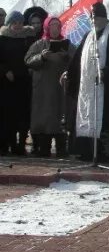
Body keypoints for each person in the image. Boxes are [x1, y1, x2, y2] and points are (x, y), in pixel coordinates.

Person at [64, 3, 109, 159]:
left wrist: (107, 72)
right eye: (93, 17)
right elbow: (76, 61)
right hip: (87, 87)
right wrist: (68, 73)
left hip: (106, 89)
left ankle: (102, 152)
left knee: (104, 119)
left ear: (105, 19)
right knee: (85, 114)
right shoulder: (87, 36)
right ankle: (85, 151)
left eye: (98, 17)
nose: (95, 20)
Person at [24, 16, 74, 157]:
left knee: (61, 117)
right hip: (43, 89)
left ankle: (61, 149)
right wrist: (41, 57)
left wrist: (67, 56)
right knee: (45, 118)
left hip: (61, 87)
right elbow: (28, 60)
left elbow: (76, 60)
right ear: (46, 27)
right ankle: (43, 148)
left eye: (57, 25)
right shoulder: (39, 44)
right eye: (52, 25)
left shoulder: (67, 44)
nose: (55, 28)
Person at [0, 10, 38, 154]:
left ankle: (21, 145)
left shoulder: (28, 38)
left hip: (24, 81)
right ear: (9, 23)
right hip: (7, 83)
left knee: (22, 115)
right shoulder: (2, 38)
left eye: (21, 23)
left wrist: (31, 67)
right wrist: (5, 70)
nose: (18, 25)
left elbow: (32, 56)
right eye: (15, 22)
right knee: (7, 115)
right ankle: (6, 144)